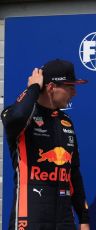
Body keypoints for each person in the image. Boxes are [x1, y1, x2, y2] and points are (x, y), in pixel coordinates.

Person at [1, 59, 90, 230]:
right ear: (50, 87)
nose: (74, 93)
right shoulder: (18, 116)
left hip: (64, 220)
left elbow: (74, 174)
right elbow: (17, 116)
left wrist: (84, 218)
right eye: (70, 87)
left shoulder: (66, 122)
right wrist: (33, 87)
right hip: (29, 218)